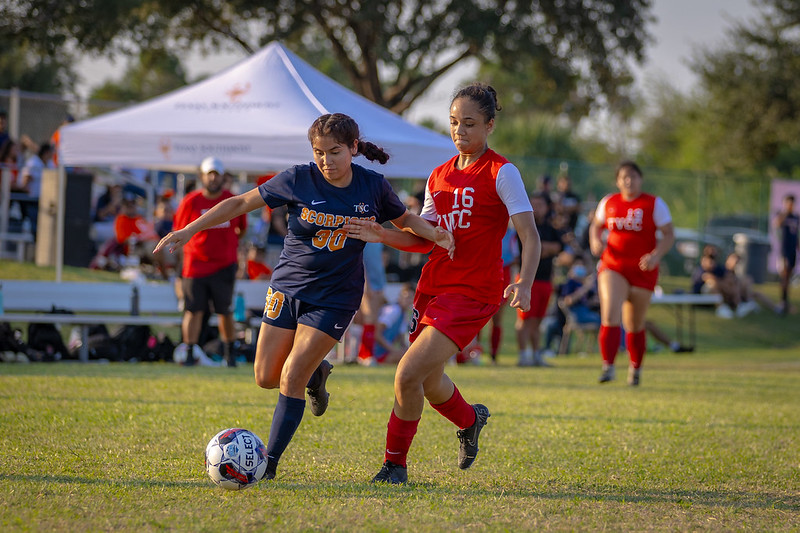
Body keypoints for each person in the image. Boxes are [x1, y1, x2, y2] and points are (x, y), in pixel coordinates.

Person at [154, 113, 453, 481]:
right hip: (287, 288)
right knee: (266, 377)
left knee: (291, 376)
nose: (326, 161)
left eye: (335, 152)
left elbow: (407, 223)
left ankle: (269, 466)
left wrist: (434, 234)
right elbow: (238, 204)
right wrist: (190, 228)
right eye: (319, 152)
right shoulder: (297, 178)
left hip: (335, 296)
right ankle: (319, 373)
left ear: (354, 148)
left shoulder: (372, 186)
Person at [346, 83, 542, 485]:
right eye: (454, 123)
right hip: (433, 285)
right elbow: (424, 238)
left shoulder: (502, 172)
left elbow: (530, 234)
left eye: (469, 123)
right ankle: (471, 420)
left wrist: (524, 281)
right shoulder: (438, 175)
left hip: (473, 292)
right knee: (429, 379)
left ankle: (394, 465)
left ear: (489, 125)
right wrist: (381, 233)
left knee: (406, 374)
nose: (460, 131)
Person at [589, 160, 675, 386]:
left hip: (643, 270)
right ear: (617, 181)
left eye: (633, 176)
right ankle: (608, 366)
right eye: (624, 177)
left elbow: (668, 234)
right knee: (610, 314)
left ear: (640, 179)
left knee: (635, 324)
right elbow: (596, 226)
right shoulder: (609, 202)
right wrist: (595, 241)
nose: (629, 180)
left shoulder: (653, 204)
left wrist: (656, 255)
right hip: (613, 266)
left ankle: (635, 370)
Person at [171, 156, 247, 368]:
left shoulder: (232, 200)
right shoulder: (191, 201)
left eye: (217, 174)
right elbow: (178, 230)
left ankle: (230, 354)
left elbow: (241, 229)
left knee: (225, 311)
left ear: (223, 177)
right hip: (195, 265)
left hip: (224, 265)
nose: (213, 178)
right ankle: (188, 352)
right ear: (202, 176)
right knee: (193, 310)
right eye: (209, 174)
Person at [516, 191, 562, 367]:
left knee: (537, 321)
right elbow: (531, 248)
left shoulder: (551, 228)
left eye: (540, 204)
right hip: (527, 280)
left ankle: (536, 355)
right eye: (533, 203)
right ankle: (522, 355)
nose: (536, 208)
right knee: (524, 320)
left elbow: (558, 247)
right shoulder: (524, 226)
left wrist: (543, 248)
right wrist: (544, 249)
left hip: (545, 280)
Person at [773, 193, 799, 314]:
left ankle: (785, 302)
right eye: (788, 203)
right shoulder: (781, 215)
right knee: (784, 275)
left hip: (792, 250)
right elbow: (776, 224)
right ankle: (782, 302)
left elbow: (796, 235)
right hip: (784, 251)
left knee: (788, 276)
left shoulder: (796, 217)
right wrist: (785, 212)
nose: (790, 205)